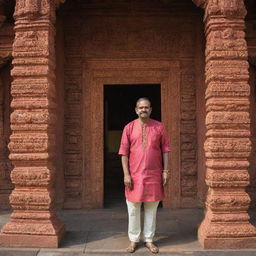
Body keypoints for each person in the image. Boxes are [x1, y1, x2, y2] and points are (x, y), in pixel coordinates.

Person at [118, 97, 170, 254]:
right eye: (140, 107)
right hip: (134, 175)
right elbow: (124, 153)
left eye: (146, 107)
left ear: (151, 109)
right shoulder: (129, 127)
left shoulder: (159, 127)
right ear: (136, 110)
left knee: (151, 208)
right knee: (133, 208)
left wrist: (166, 171)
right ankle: (134, 240)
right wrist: (126, 174)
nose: (143, 110)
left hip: (154, 175)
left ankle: (149, 239)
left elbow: (166, 150)